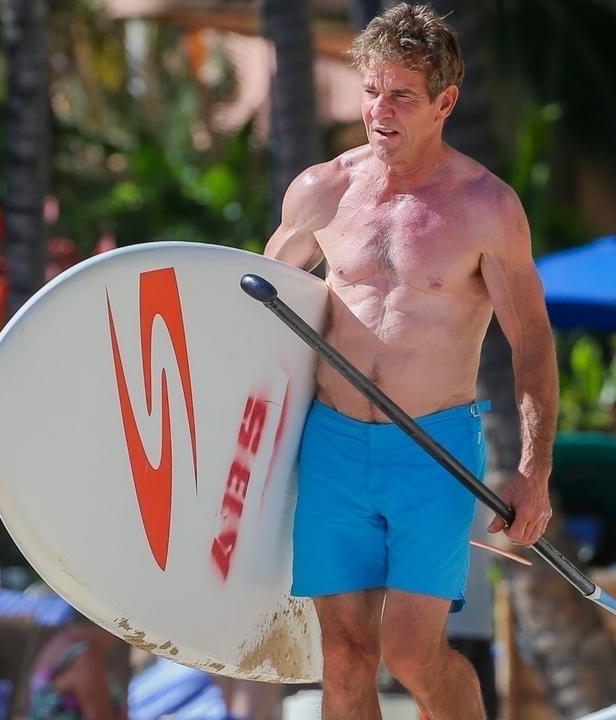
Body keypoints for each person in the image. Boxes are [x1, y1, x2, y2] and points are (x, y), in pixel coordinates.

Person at [264, 4, 557, 719]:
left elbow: (532, 342)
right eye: (372, 90)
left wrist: (533, 470)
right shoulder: (321, 190)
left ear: (445, 103)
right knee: (343, 655)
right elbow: (260, 304)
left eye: (401, 95)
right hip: (331, 443)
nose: (379, 110)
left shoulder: (486, 207)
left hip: (433, 447)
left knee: (413, 653)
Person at [27, 612, 126, 720]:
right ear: (106, 625)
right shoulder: (86, 656)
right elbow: (100, 716)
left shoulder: (59, 643)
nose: (118, 639)